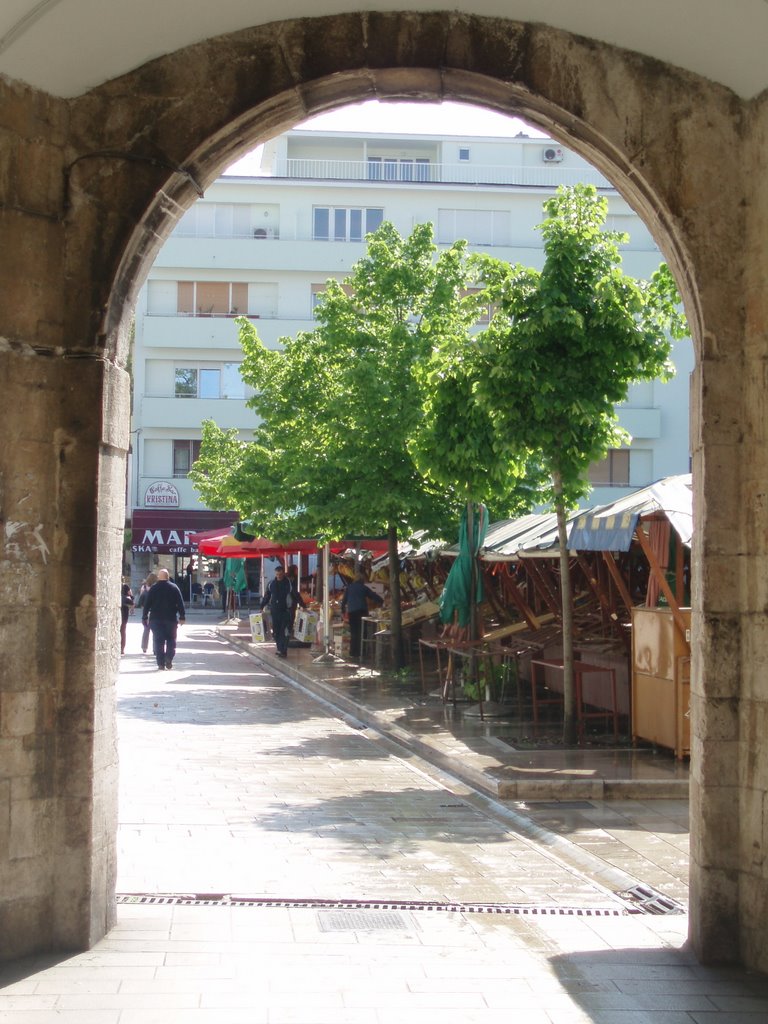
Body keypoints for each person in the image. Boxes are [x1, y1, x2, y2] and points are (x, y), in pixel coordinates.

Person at [141, 568, 186, 671]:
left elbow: (147, 604)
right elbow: (180, 603)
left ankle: (161, 663)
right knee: (171, 640)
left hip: (155, 619)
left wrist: (144, 617)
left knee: (158, 641)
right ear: (168, 576)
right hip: (170, 619)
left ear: (158, 577)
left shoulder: (154, 588)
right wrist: (182, 616)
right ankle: (169, 658)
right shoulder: (174, 588)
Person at [261, 564, 305, 658]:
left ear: (283, 574)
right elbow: (267, 596)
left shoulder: (288, 583)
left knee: (284, 631)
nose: (279, 576)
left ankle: (283, 650)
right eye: (277, 575)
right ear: (275, 574)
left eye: (280, 575)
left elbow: (296, 595)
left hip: (286, 611)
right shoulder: (271, 584)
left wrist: (302, 605)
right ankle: (279, 649)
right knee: (276, 631)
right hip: (275, 611)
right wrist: (261, 606)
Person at [341, 570, 384, 661]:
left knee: (354, 632)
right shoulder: (364, 588)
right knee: (362, 632)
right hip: (361, 611)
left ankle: (353, 652)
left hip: (352, 612)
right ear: (362, 580)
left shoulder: (349, 587)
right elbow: (373, 596)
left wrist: (343, 611)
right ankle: (362, 652)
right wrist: (382, 602)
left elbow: (344, 601)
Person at [137, 572, 157, 653]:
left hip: (146, 610)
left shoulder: (144, 587)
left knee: (146, 630)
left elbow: (141, 600)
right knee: (155, 631)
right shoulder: (156, 588)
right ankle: (155, 649)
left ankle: (144, 647)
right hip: (154, 611)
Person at [120, 578, 134, 655]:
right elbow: (131, 597)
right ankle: (121, 648)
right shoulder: (125, 586)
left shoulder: (123, 586)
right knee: (123, 630)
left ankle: (121, 648)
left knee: (121, 629)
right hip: (124, 610)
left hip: (122, 609)